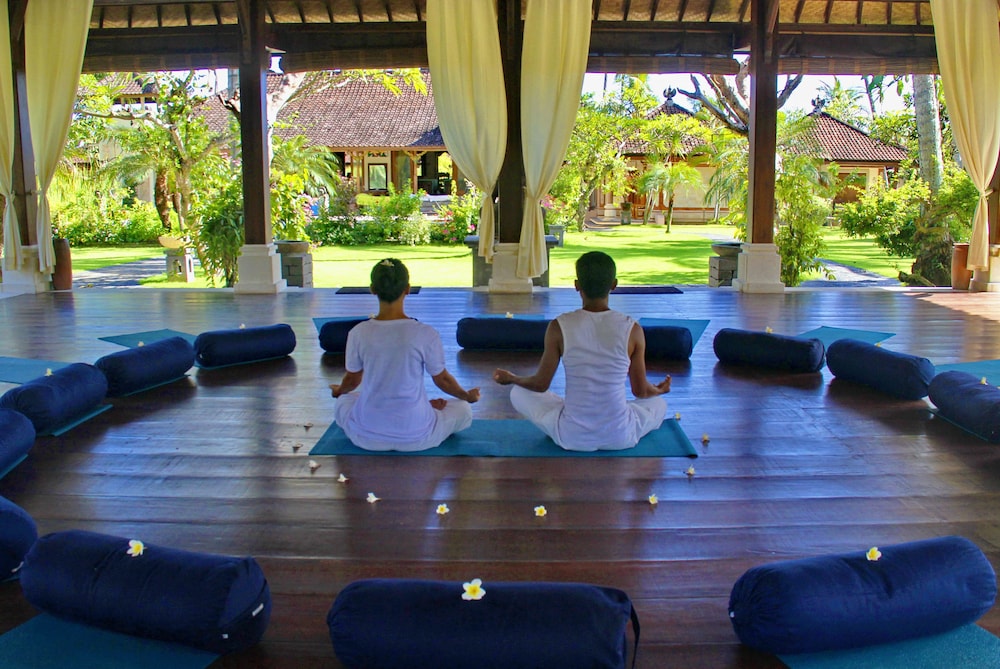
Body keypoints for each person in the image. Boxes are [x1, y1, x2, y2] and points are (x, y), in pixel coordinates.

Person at [493, 251, 670, 451]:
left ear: (577, 285)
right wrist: (659, 390)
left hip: (571, 436)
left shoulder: (559, 326)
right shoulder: (633, 330)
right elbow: (641, 391)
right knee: (659, 404)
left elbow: (540, 384)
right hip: (620, 435)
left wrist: (512, 378)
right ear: (614, 285)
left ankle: (574, 412)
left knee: (518, 392)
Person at [330, 258, 480, 451]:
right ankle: (423, 408)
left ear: (372, 289)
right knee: (463, 409)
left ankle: (419, 407)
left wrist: (338, 391)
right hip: (418, 436)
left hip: (367, 437)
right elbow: (443, 380)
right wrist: (467, 396)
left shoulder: (358, 333)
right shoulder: (425, 333)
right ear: (407, 289)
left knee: (344, 400)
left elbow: (352, 381)